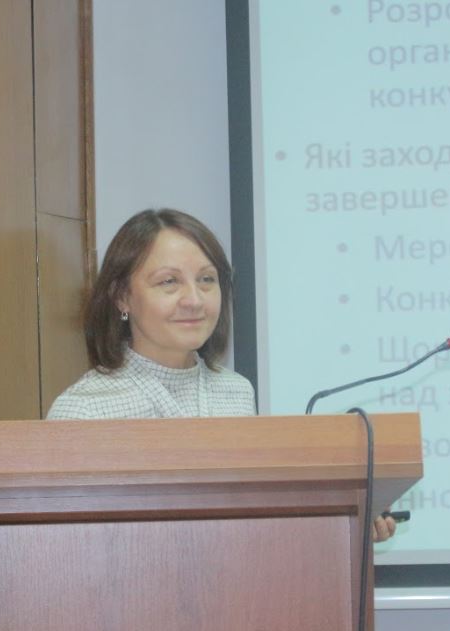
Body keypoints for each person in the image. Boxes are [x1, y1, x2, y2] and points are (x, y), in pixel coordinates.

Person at [48, 208, 395, 541]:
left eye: (206, 280)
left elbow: (252, 518)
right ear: (122, 296)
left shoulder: (235, 392)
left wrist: (347, 519)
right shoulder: (82, 411)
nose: (194, 300)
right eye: (169, 282)